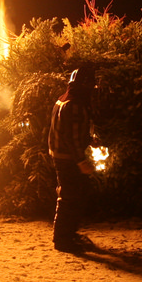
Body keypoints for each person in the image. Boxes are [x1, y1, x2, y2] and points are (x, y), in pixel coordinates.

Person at [48, 67, 98, 252]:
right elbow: (72, 138)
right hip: (68, 158)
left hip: (60, 154)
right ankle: (63, 240)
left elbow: (68, 130)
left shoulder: (62, 99)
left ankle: (68, 235)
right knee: (70, 197)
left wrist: (89, 140)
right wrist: (81, 161)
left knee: (72, 195)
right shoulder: (74, 104)